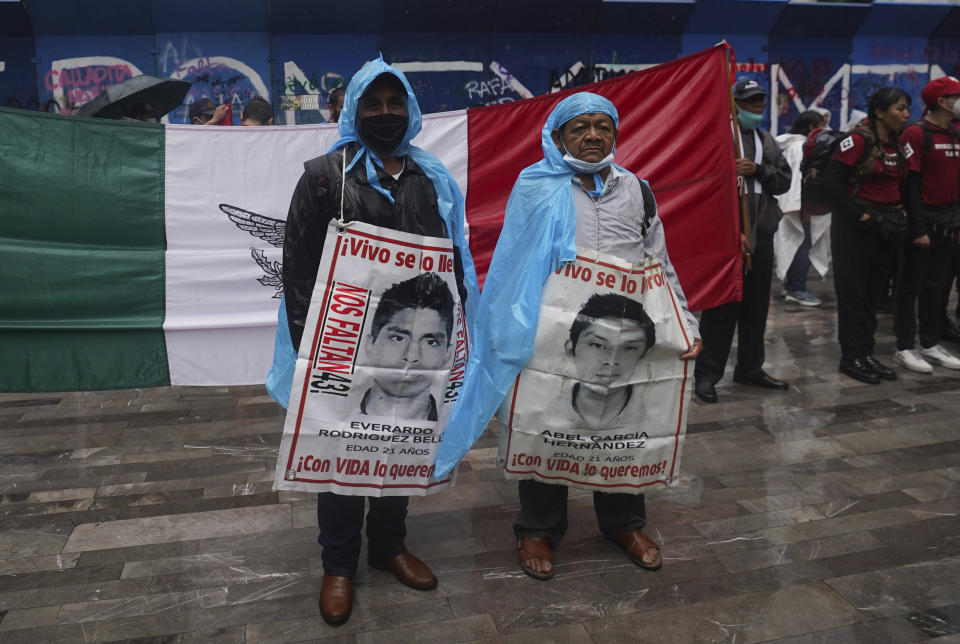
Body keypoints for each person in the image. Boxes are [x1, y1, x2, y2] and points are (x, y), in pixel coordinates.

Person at [434, 92, 701, 581]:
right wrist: (503, 329)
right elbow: (513, 261)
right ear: (556, 137)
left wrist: (685, 322)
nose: (593, 136)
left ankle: (623, 523)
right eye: (579, 128)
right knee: (547, 425)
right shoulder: (535, 186)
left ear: (616, 133)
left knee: (620, 426)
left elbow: (657, 263)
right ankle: (537, 529)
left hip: (620, 335)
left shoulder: (637, 190)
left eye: (603, 126)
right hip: (549, 336)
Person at [281, 57, 478, 626]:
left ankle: (389, 546)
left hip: (414, 347)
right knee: (338, 452)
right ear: (354, 109)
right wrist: (308, 348)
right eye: (374, 104)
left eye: (395, 104)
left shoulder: (432, 177)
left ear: (410, 109)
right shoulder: (324, 176)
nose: (386, 114)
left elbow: (452, 258)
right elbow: (297, 269)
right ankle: (338, 564)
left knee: (399, 441)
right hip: (340, 348)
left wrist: (458, 327)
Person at [694, 79, 792, 403]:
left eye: (760, 102)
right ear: (734, 105)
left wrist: (758, 170)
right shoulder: (719, 141)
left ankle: (750, 368)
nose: (757, 108)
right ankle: (707, 375)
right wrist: (729, 233)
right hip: (727, 242)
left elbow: (783, 182)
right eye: (750, 102)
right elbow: (704, 191)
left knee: (756, 309)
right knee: (721, 311)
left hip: (761, 240)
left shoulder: (768, 141)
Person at [823, 87, 911, 384]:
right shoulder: (858, 140)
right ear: (880, 112)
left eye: (907, 108)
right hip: (854, 228)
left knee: (874, 295)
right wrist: (858, 216)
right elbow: (830, 185)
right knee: (853, 296)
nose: (906, 114)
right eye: (900, 108)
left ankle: (867, 354)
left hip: (885, 228)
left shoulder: (897, 143)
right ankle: (851, 358)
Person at [892, 77, 960, 373]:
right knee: (911, 285)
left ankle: (931, 343)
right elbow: (909, 184)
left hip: (950, 221)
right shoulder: (916, 133)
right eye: (956, 96)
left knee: (938, 285)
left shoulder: (955, 132)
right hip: (923, 221)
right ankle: (905, 346)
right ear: (943, 101)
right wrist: (917, 228)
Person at [360, 273, 454, 420]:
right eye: (398, 338)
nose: (411, 357)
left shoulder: (452, 424)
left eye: (431, 342)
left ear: (447, 355)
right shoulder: (330, 412)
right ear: (370, 345)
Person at [565, 293, 655, 430]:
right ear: (571, 349)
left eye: (630, 348)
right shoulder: (538, 413)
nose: (612, 361)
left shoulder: (657, 420)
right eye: (597, 345)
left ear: (644, 356)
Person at [775, 110, 830, 307]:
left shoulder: (791, 145)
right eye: (820, 126)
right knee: (801, 245)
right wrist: (803, 208)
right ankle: (796, 288)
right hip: (798, 207)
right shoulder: (800, 147)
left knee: (792, 244)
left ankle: (790, 285)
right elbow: (800, 181)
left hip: (792, 205)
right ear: (811, 127)